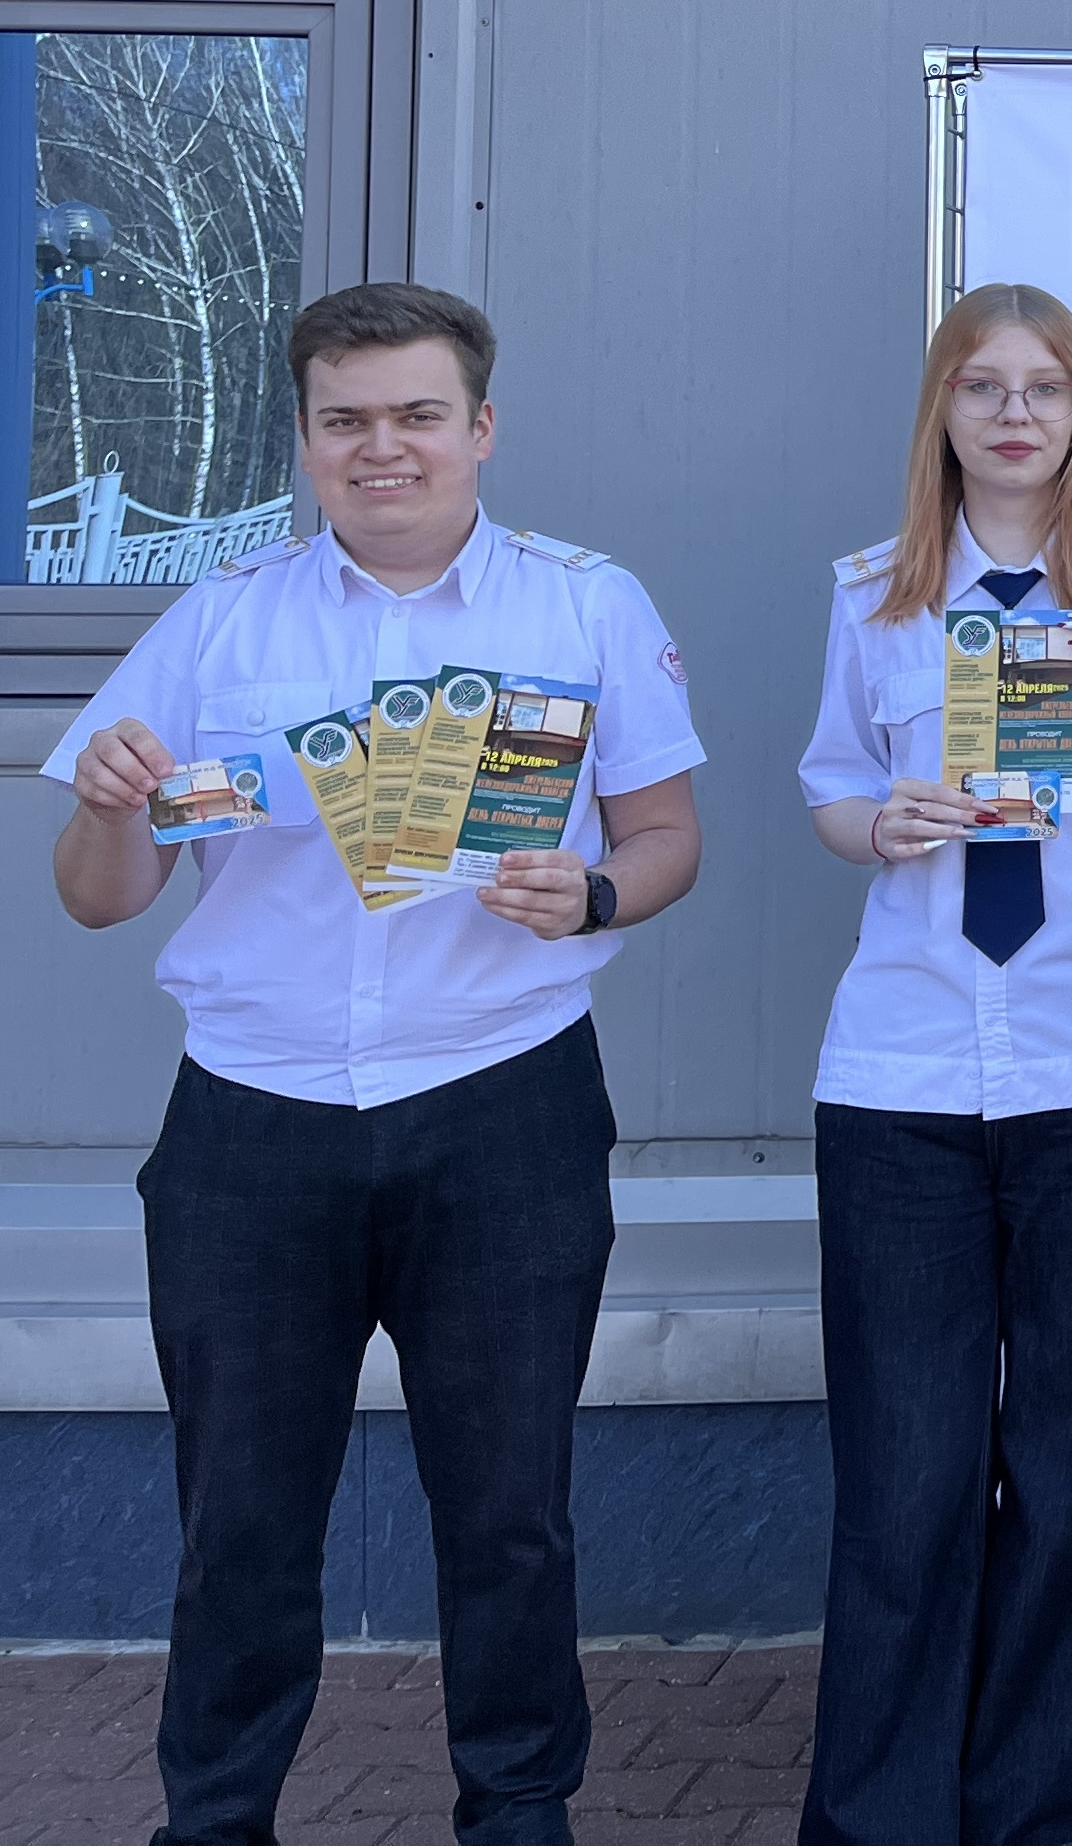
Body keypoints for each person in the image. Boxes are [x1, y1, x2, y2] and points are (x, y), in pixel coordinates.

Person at [47, 281, 707, 1846]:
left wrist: (593, 895)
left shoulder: (586, 608)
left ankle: (520, 1815)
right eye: (346, 420)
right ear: (304, 440)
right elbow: (98, 898)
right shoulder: (222, 620)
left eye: (418, 414)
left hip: (504, 1102)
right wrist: (109, 807)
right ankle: (214, 1821)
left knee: (509, 1514)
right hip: (253, 1118)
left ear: (482, 427)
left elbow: (668, 837)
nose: (382, 448)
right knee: (240, 1522)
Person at [793, 281, 1072, 1846]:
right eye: (982, 386)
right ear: (943, 409)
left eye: (1044, 388)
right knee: (904, 1482)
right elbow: (832, 789)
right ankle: (880, 1823)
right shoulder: (874, 595)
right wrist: (881, 823)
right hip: (906, 1077)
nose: (1012, 413)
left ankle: (1043, 1818)